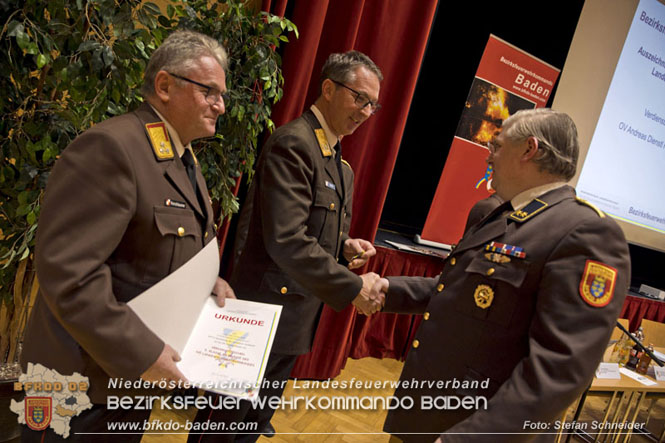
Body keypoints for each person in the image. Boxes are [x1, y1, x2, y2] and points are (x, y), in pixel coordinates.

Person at [20, 30, 234, 442]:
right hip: (79, 380)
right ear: (165, 86)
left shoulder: (180, 156)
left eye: (222, 94)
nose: (220, 105)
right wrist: (143, 354)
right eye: (210, 91)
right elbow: (70, 275)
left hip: (126, 381)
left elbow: (152, 253)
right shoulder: (113, 147)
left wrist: (209, 282)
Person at [372, 108, 631, 442]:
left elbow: (558, 370)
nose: (489, 153)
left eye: (497, 144)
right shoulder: (504, 214)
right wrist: (386, 288)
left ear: (529, 149)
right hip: (430, 410)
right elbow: (460, 289)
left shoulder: (586, 232)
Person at [191, 50, 384, 442]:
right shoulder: (295, 144)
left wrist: (345, 247)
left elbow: (312, 229)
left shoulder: (338, 163)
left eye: (372, 104)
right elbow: (286, 240)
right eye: (359, 97)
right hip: (259, 315)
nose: (365, 111)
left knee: (248, 428)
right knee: (222, 430)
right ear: (328, 88)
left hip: (291, 318)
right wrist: (353, 287)